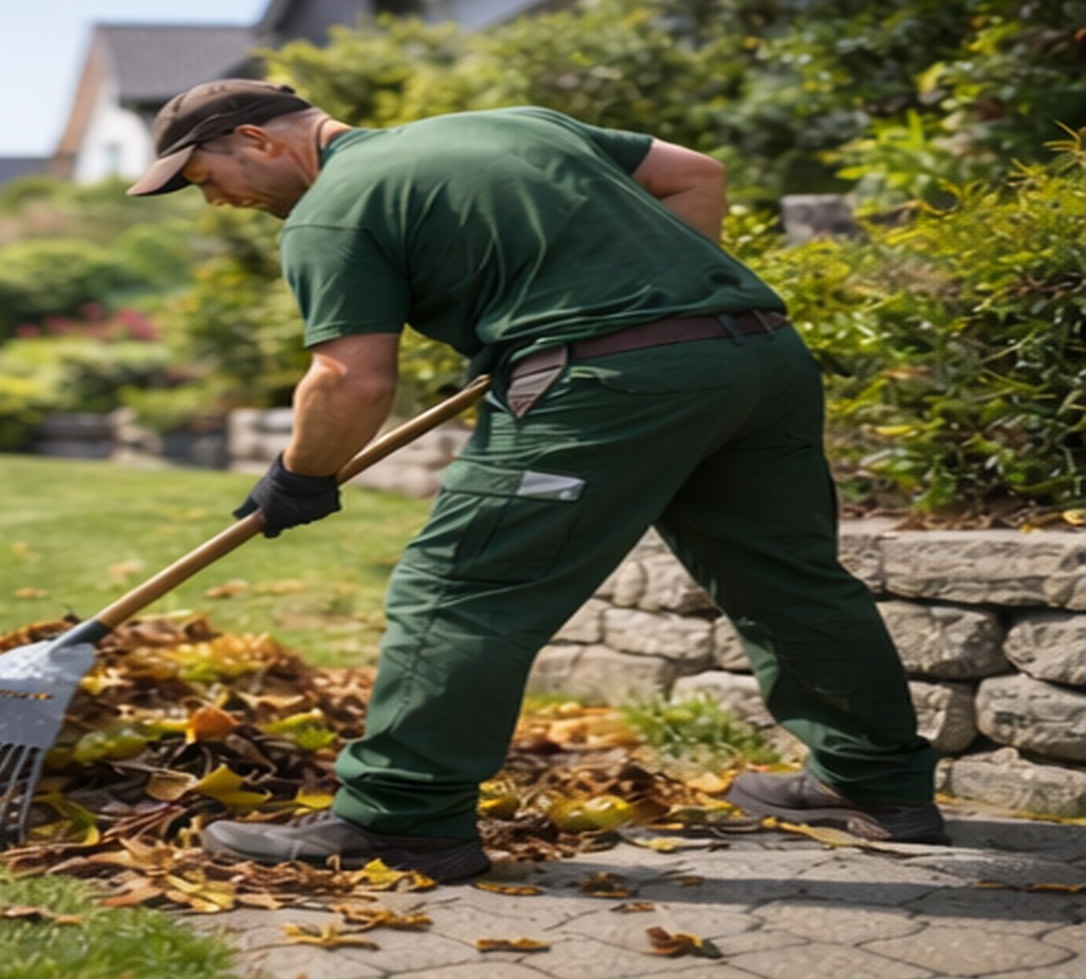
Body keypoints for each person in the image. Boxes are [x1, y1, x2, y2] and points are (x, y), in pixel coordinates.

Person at [127, 79, 947, 883]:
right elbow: (695, 173)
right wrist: (670, 310)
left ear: (259, 140)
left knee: (461, 590)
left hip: (605, 387)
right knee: (785, 576)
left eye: (205, 177)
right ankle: (873, 781)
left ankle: (402, 818)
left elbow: (351, 379)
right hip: (758, 358)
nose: (217, 200)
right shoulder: (514, 124)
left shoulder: (333, 210)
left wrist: (299, 477)